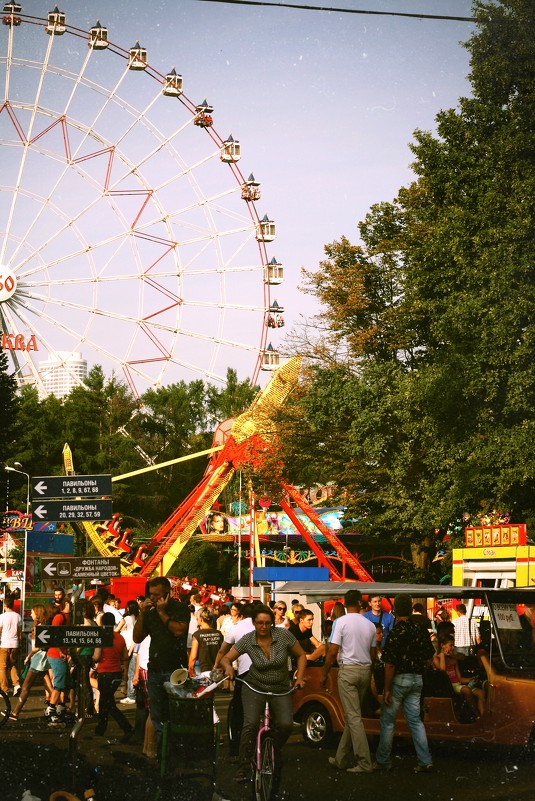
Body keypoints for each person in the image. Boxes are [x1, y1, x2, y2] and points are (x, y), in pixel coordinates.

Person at [220, 604, 307, 788]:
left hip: (280, 688)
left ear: (272, 623)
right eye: (260, 623)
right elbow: (226, 657)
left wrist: (299, 677)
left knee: (285, 724)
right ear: (254, 623)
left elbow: (301, 655)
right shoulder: (247, 640)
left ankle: (274, 749)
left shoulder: (283, 636)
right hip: (254, 686)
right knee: (250, 724)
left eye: (267, 623)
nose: (264, 626)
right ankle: (243, 766)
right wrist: (228, 667)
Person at [375, 594, 435, 773]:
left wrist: (386, 689)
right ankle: (425, 760)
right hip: (417, 679)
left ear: (394, 611)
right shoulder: (419, 630)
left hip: (400, 680)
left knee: (387, 721)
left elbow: (390, 664)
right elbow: (428, 657)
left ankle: (383, 761)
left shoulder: (395, 633)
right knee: (415, 721)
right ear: (410, 609)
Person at [321, 588, 377, 774]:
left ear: (345, 603)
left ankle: (364, 762)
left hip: (348, 670)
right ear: (361, 602)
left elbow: (332, 651)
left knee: (353, 717)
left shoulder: (340, 622)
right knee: (353, 715)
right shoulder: (369, 624)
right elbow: (373, 653)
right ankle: (341, 758)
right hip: (365, 670)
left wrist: (324, 673)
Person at [132, 576, 189, 752]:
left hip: (176, 670)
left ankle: (175, 753)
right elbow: (137, 637)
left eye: (157, 595)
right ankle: (162, 755)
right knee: (157, 716)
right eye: (151, 594)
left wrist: (162, 613)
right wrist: (142, 614)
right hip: (155, 669)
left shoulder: (179, 609)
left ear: (167, 593)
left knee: (177, 715)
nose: (153, 598)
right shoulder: (149, 613)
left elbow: (179, 631)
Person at [213, 602, 256, 757]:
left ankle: (234, 746)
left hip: (245, 674)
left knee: (238, 708)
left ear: (242, 615)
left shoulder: (236, 628)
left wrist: (217, 666)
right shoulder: (264, 626)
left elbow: (222, 651)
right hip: (266, 672)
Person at [92, 612, 133, 741]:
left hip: (105, 673)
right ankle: (100, 729)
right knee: (105, 702)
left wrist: (90, 659)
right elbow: (125, 657)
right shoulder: (119, 638)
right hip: (116, 673)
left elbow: (97, 656)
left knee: (108, 704)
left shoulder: (102, 636)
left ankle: (127, 728)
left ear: (102, 623)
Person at [9, 605, 52, 721]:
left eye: (32, 613)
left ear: (37, 614)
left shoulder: (40, 628)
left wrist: (29, 656)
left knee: (25, 687)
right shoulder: (42, 627)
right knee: (49, 687)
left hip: (38, 660)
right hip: (41, 659)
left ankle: (15, 712)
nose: (31, 614)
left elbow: (37, 647)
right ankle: (56, 706)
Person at [433, 634, 485, 716]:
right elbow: (442, 672)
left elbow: (459, 678)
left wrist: (470, 679)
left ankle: (483, 715)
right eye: (450, 645)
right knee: (466, 690)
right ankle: (476, 714)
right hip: (449, 687)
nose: (452, 648)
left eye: (453, 645)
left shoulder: (453, 660)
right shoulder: (437, 659)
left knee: (481, 692)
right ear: (442, 645)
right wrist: (442, 655)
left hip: (458, 685)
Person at [117, 600, 140, 704]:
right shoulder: (139, 619)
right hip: (136, 644)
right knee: (135, 668)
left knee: (127, 668)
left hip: (127, 645)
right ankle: (133, 689)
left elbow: (116, 630)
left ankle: (126, 688)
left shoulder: (126, 619)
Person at [188, 607, 223, 677]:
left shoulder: (197, 635)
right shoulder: (219, 634)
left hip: (204, 671)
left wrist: (190, 668)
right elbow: (222, 652)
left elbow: (193, 656)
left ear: (201, 619)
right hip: (218, 670)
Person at [0, 594, 21, 697]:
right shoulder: (18, 616)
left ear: (5, 605)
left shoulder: (2, 617)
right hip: (15, 644)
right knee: (12, 664)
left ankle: (4, 689)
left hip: (4, 644)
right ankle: (16, 684)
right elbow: (19, 632)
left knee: (2, 667)